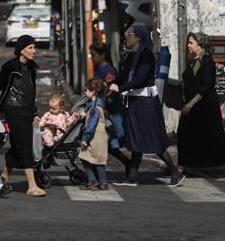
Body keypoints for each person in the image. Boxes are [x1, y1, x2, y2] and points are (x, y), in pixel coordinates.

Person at [109, 23, 184, 187]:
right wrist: (108, 85)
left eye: (129, 35)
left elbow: (140, 79)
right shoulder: (131, 56)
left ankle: (174, 171)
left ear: (138, 37)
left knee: (153, 137)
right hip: (135, 102)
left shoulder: (147, 56)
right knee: (136, 138)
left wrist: (119, 88)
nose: (126, 37)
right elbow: (123, 77)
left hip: (146, 102)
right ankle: (132, 177)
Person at [177, 32, 225, 176]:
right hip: (194, 108)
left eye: (191, 43)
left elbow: (207, 85)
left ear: (200, 45)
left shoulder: (207, 62)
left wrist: (191, 103)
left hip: (205, 107)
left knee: (215, 138)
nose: (188, 46)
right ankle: (185, 166)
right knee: (186, 136)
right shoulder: (194, 61)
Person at [0, 34, 44, 197]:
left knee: (19, 145)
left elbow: (31, 92)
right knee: (25, 146)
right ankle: (32, 185)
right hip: (12, 111)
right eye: (30, 48)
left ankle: (5, 175)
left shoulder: (32, 68)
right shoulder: (9, 67)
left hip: (27, 111)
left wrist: (34, 112)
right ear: (21, 50)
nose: (34, 51)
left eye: (34, 47)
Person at [91, 42, 131, 177]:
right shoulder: (99, 69)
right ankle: (128, 163)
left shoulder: (108, 71)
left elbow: (109, 90)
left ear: (102, 55)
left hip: (109, 111)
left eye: (94, 55)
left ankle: (97, 173)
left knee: (107, 142)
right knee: (109, 144)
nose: (91, 57)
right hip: (102, 110)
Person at [77, 77, 109, 191]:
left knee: (84, 157)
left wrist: (85, 138)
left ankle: (92, 179)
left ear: (93, 91)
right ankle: (103, 183)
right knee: (99, 161)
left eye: (87, 90)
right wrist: (83, 112)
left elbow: (91, 126)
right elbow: (89, 107)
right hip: (100, 138)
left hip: (94, 138)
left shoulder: (95, 109)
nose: (85, 93)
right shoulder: (97, 105)